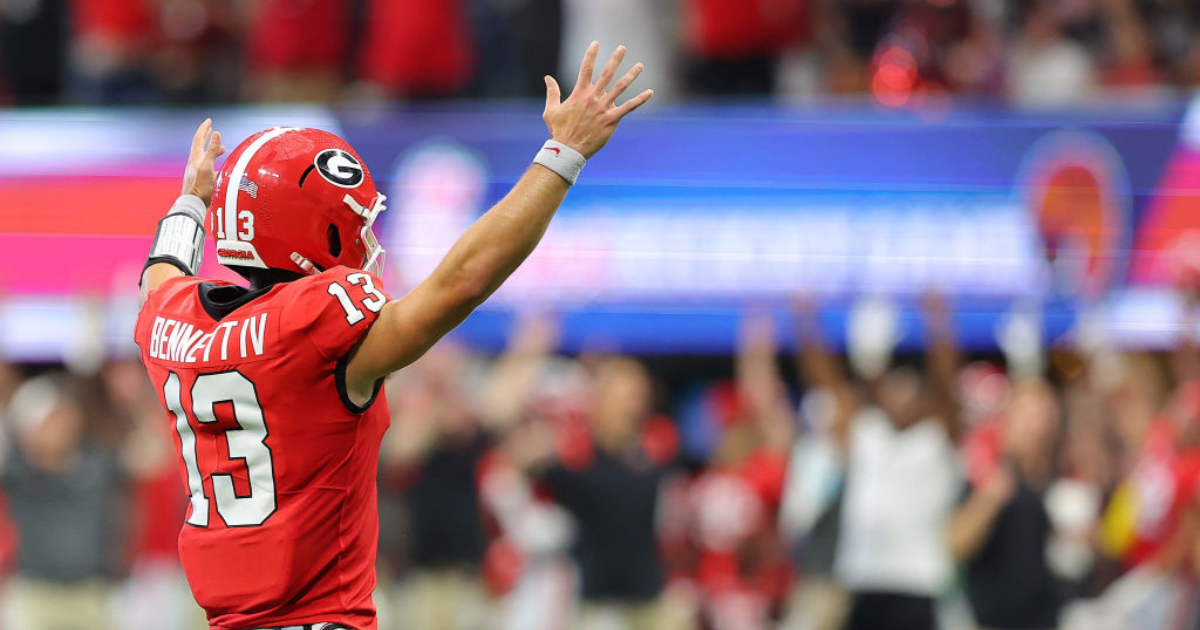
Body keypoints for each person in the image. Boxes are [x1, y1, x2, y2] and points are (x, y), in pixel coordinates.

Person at [133, 42, 653, 630]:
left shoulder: (171, 319)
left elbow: (163, 272)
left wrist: (191, 199)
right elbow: (463, 283)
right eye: (354, 223)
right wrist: (564, 154)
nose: (366, 240)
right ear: (315, 231)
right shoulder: (313, 326)